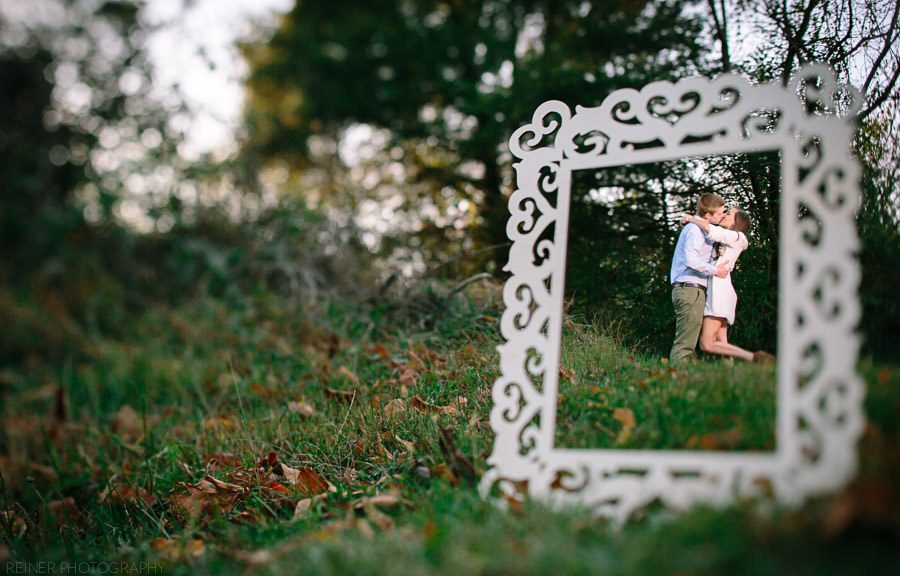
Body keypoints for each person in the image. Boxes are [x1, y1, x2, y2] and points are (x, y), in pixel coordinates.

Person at [681, 206, 774, 363]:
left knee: (707, 344)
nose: (724, 215)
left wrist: (690, 218)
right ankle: (730, 370)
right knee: (721, 342)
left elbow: (712, 230)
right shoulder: (725, 240)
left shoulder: (738, 237)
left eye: (728, 213)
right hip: (718, 290)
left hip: (719, 292)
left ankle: (755, 358)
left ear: (736, 222)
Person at [669, 193, 729, 364]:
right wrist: (715, 271)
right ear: (707, 215)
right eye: (719, 214)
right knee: (685, 344)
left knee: (689, 339)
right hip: (689, 289)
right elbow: (691, 260)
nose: (722, 216)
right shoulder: (694, 230)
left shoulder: (700, 228)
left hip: (693, 290)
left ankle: (681, 376)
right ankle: (675, 380)